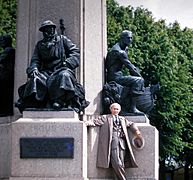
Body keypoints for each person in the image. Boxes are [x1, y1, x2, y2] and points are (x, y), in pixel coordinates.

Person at [16, 20, 89, 113]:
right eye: (44, 30)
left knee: (64, 76)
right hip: (46, 72)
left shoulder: (63, 40)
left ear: (53, 29)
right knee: (35, 79)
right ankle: (36, 102)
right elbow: (35, 60)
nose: (47, 32)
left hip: (61, 68)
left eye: (49, 29)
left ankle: (59, 100)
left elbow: (75, 53)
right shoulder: (40, 45)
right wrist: (34, 68)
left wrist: (67, 63)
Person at [85, 103, 143, 180]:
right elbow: (95, 122)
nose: (115, 110)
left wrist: (136, 131)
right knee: (117, 163)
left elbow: (131, 124)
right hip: (112, 143)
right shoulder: (105, 117)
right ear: (111, 109)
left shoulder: (122, 119)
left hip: (122, 143)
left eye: (117, 109)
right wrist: (85, 123)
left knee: (121, 164)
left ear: (119, 110)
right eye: (114, 108)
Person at [105, 30, 144, 114]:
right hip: (114, 77)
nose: (130, 40)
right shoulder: (119, 51)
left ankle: (128, 106)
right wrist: (141, 78)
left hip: (119, 75)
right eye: (128, 38)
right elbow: (130, 66)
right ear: (122, 38)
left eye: (131, 38)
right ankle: (133, 108)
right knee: (139, 80)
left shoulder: (124, 48)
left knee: (136, 80)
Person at [0, 35, 15, 116]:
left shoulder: (8, 50)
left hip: (5, 77)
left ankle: (5, 110)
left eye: (2, 41)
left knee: (5, 95)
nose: (1, 43)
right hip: (5, 77)